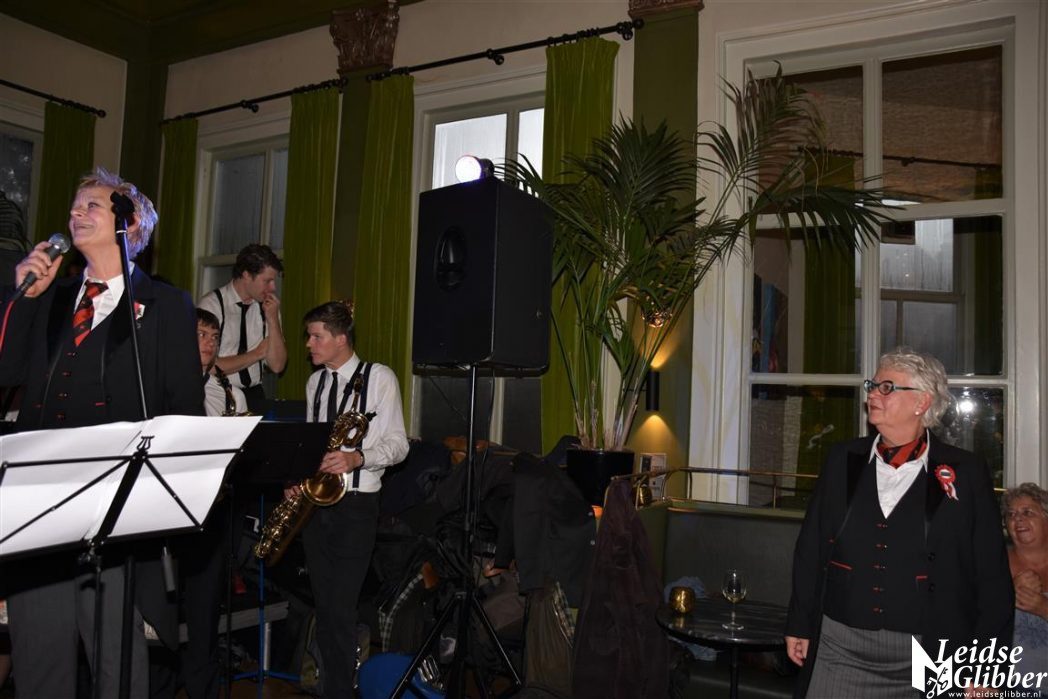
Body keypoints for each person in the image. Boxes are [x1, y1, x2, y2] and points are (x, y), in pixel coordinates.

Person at [0, 167, 203, 697]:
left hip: (116, 506)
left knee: (115, 658)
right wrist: (24, 296)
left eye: (93, 204)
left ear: (129, 224)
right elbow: (6, 372)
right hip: (37, 500)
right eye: (75, 204)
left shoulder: (166, 305)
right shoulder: (51, 295)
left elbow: (184, 406)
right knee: (39, 658)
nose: (76, 212)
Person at [784, 347, 1013, 698]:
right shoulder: (842, 459)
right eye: (872, 385)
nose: (873, 394)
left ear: (922, 402)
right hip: (840, 645)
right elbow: (811, 547)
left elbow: (991, 574)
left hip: (932, 650)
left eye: (887, 387)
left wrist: (988, 666)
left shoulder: (965, 472)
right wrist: (799, 622)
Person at [287, 300, 409, 696]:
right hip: (317, 505)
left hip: (356, 505)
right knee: (325, 609)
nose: (308, 344)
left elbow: (399, 445)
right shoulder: (315, 383)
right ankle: (333, 687)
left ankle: (339, 689)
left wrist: (359, 457)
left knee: (340, 607)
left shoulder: (380, 378)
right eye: (309, 336)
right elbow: (313, 444)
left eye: (316, 336)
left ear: (341, 339)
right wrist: (299, 477)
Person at [197, 244, 286, 414]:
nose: (273, 288)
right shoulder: (212, 304)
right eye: (267, 281)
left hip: (256, 395)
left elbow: (277, 366)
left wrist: (273, 320)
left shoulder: (268, 308)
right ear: (246, 275)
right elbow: (208, 365)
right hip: (218, 395)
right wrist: (257, 354)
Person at [1003, 483, 1048, 695]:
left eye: (1027, 512)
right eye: (1011, 514)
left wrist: (1043, 607)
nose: (1018, 519)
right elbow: (967, 616)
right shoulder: (995, 563)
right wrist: (1008, 594)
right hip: (1012, 684)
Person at [198, 308, 247, 416]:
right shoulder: (164, 387)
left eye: (215, 337)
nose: (211, 343)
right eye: (201, 334)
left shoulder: (234, 396)